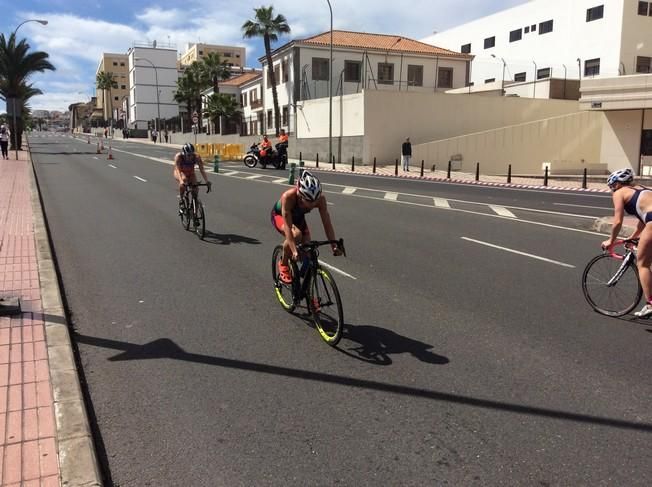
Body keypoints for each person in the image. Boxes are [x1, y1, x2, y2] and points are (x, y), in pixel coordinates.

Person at [271, 170, 342, 284]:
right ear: (299, 194)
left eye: (315, 200)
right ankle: (283, 264)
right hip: (279, 216)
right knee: (296, 235)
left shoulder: (320, 199)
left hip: (298, 219)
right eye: (308, 201)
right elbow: (289, 228)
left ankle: (307, 293)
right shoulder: (288, 197)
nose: (312, 204)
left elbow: (327, 223)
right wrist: (294, 250)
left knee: (308, 254)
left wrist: (334, 245)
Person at [601, 168, 652, 317]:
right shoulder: (643, 189)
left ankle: (650, 304)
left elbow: (617, 221)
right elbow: (644, 218)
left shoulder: (619, 193)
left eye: (611, 187)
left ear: (616, 184)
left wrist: (611, 240)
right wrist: (633, 237)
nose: (612, 190)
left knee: (643, 264)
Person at [173, 143, 211, 211]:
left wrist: (207, 181)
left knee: (195, 189)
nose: (190, 157)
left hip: (191, 173)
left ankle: (194, 207)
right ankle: (181, 199)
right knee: (184, 180)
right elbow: (178, 170)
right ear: (184, 153)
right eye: (188, 155)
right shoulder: (178, 157)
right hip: (180, 172)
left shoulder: (196, 157)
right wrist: (181, 181)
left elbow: (202, 169)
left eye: (191, 155)